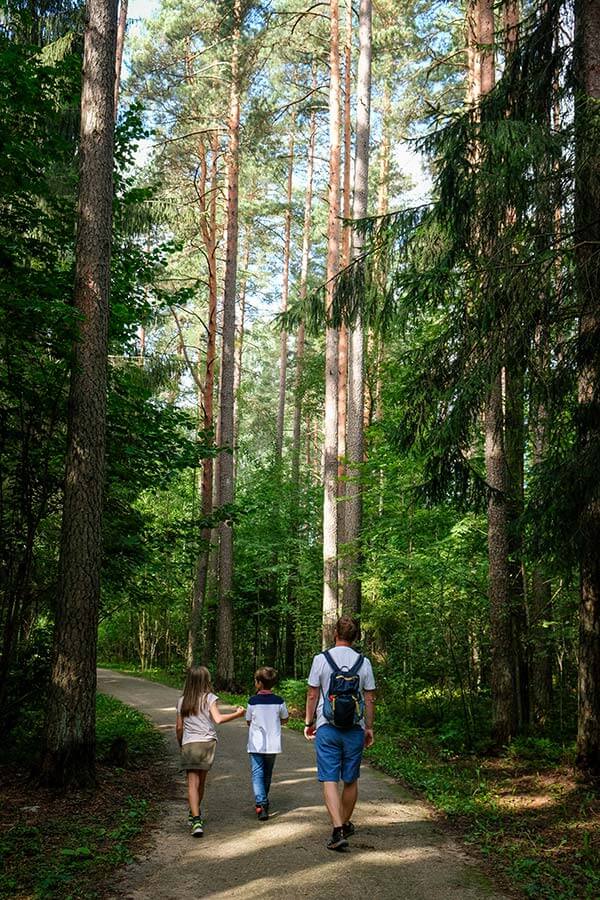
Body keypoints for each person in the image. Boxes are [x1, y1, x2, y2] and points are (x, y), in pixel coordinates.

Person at [304, 616, 376, 851]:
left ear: (335, 633)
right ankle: (344, 824)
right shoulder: (363, 663)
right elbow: (369, 697)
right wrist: (369, 727)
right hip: (354, 729)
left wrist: (309, 721)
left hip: (327, 727)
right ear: (355, 637)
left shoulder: (321, 659)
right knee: (350, 779)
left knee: (330, 779)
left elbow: (313, 694)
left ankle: (337, 830)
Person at [176, 665, 245, 837]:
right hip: (207, 743)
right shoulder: (210, 698)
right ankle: (195, 814)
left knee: (192, 783)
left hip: (189, 744)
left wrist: (181, 744)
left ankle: (196, 819)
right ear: (206, 681)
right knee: (201, 782)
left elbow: (179, 727)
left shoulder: (182, 700)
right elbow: (218, 719)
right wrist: (238, 713)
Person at [246, 666, 289, 821]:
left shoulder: (252, 701)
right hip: (272, 744)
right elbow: (285, 718)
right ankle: (263, 800)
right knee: (267, 773)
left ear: (258, 683)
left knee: (257, 773)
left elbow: (248, 721)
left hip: (256, 744)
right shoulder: (279, 701)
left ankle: (261, 803)